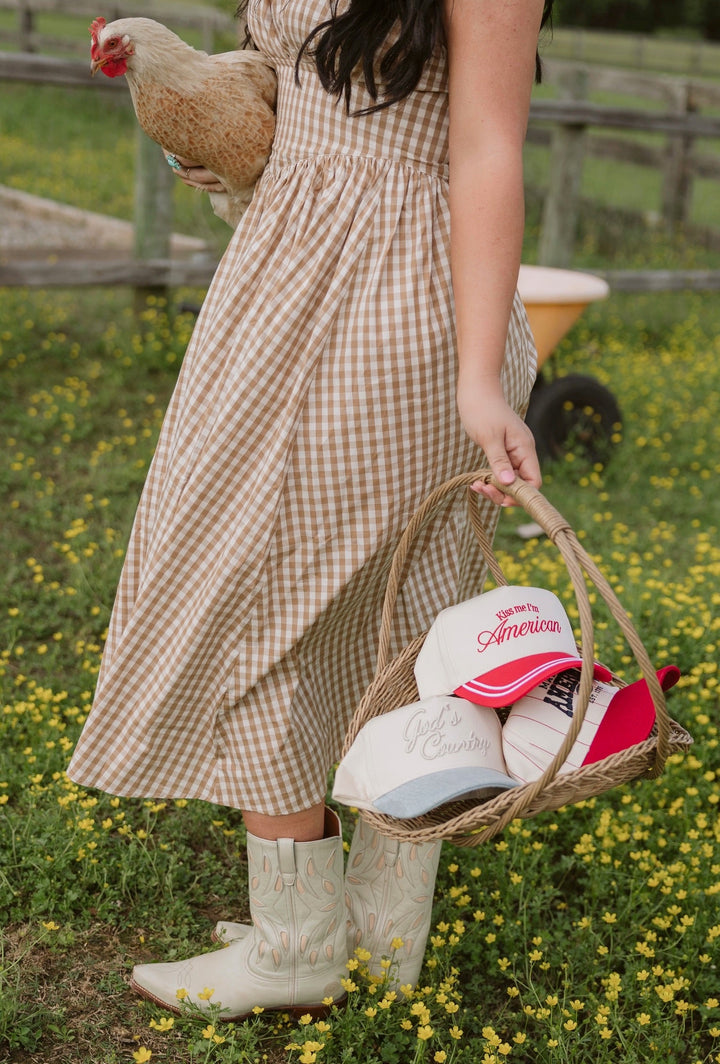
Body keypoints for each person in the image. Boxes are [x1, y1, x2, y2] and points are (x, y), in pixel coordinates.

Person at [68, 0, 552, 1021]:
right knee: (357, 600)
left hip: (392, 287)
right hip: (291, 261)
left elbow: (485, 146)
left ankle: (303, 945)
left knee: (270, 585)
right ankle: (370, 938)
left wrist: (476, 376)